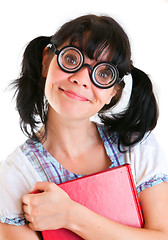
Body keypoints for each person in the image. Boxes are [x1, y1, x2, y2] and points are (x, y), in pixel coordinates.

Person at [0, 14, 168, 240]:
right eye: (71, 60)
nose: (81, 79)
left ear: (113, 92)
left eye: (103, 73)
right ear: (46, 61)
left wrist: (72, 216)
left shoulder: (136, 147)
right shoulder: (15, 177)